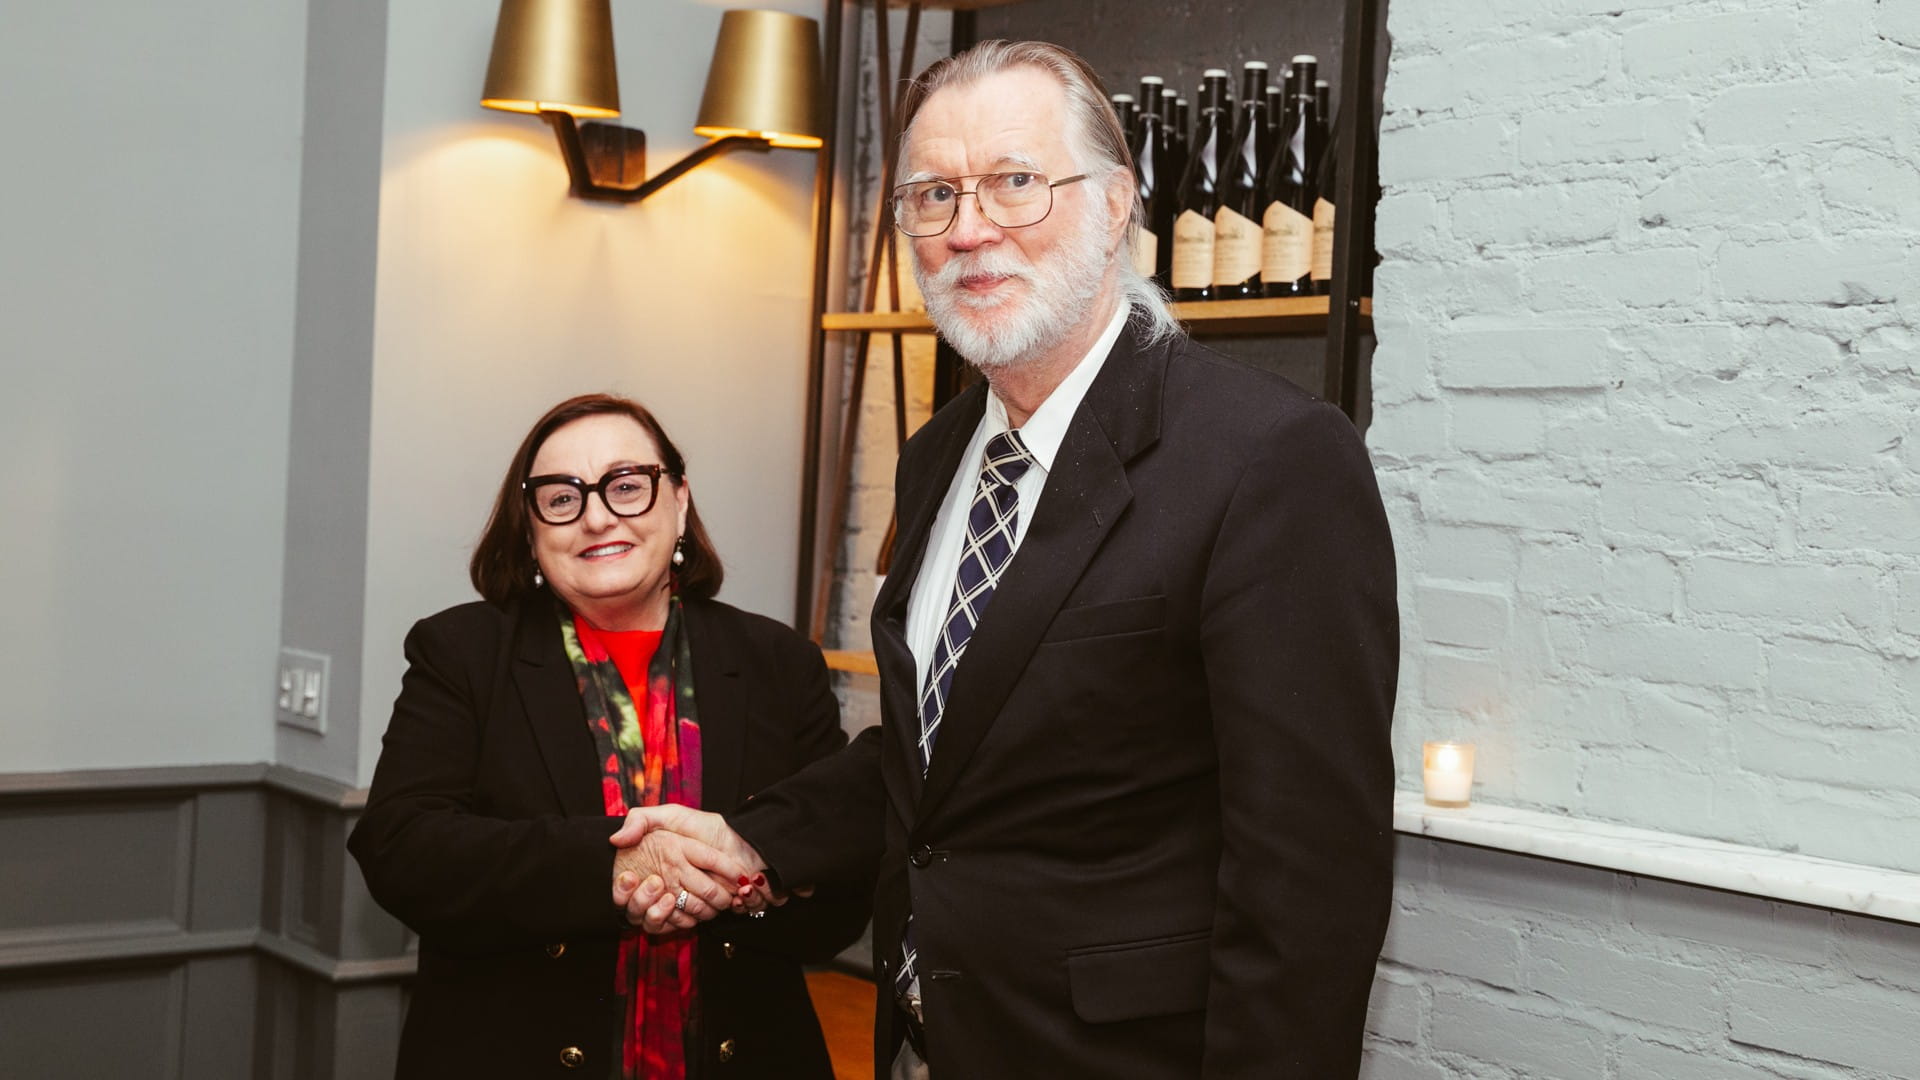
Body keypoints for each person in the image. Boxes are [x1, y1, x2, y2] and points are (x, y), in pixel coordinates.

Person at [620, 39, 1399, 1079]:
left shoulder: (1269, 461)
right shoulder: (940, 453)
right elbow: (939, 759)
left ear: (1118, 202)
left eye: (1015, 184)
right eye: (932, 196)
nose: (970, 230)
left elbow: (1309, 886)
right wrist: (754, 840)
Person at [348, 393, 872, 1079]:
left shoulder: (779, 662)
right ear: (531, 526)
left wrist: (745, 881)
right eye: (562, 498)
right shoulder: (462, 652)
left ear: (679, 500)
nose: (597, 515)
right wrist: (617, 867)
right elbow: (400, 847)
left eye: (627, 486)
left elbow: (838, 903)